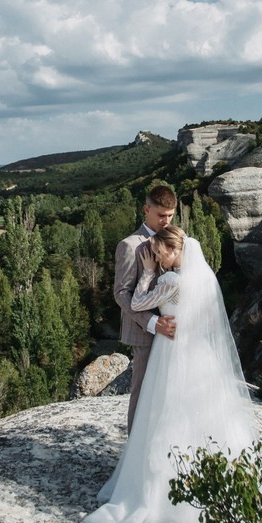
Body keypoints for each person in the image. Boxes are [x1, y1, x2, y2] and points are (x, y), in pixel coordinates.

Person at [83, 225, 256, 523]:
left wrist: (147, 272)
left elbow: (137, 303)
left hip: (171, 352)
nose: (157, 258)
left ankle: (161, 491)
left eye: (160, 253)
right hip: (198, 352)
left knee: (165, 413)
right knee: (198, 417)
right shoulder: (202, 279)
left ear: (176, 251)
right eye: (155, 256)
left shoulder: (170, 280)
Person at [113, 185, 178, 433]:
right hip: (145, 334)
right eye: (161, 215)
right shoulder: (130, 246)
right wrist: (153, 323)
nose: (166, 221)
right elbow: (121, 293)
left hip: (175, 333)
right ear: (146, 209)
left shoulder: (175, 237)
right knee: (142, 395)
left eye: (170, 215)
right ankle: (135, 455)